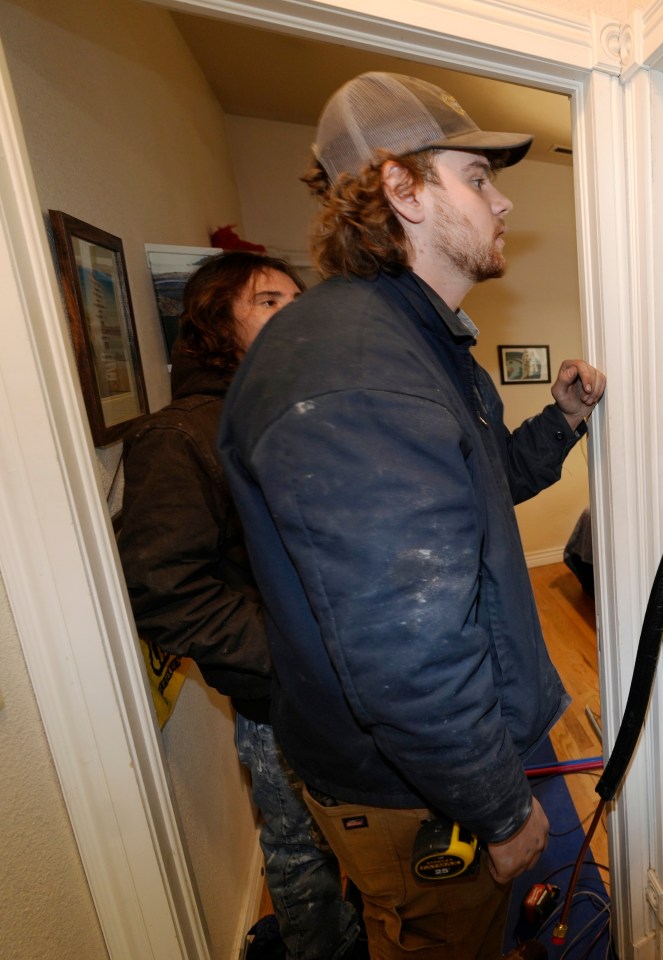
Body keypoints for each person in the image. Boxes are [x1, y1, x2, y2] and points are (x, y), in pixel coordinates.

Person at [218, 72, 606, 959]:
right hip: (411, 790)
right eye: (478, 177)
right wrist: (500, 809)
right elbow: (407, 654)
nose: (503, 201)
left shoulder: (412, 340)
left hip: (432, 764)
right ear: (403, 190)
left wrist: (563, 420)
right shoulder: (358, 374)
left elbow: (480, 489)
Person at [118, 251, 364, 960]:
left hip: (344, 681)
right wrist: (292, 654)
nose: (294, 313)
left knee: (354, 835)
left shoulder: (292, 414)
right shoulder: (179, 436)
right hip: (279, 698)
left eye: (297, 299)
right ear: (214, 325)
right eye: (268, 301)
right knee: (301, 849)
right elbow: (164, 590)